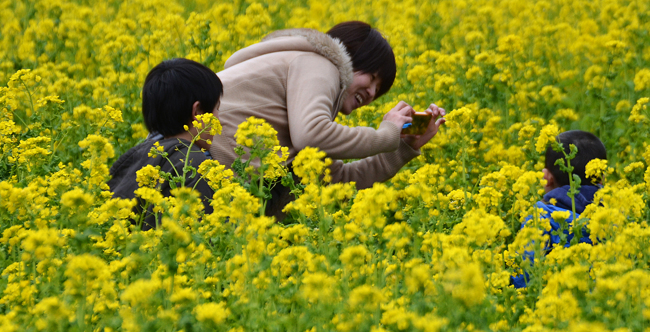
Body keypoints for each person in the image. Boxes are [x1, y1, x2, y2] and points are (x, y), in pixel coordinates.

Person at [209, 22, 445, 197]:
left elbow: (338, 181)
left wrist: (404, 147)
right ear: (348, 58)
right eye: (371, 78)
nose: (372, 93)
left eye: (378, 90)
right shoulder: (319, 64)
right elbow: (311, 135)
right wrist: (387, 133)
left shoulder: (307, 98)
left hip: (212, 174)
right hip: (199, 166)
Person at [108, 58, 223, 229]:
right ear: (197, 112)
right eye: (216, 110)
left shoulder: (137, 155)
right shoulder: (195, 165)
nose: (219, 120)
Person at [509, 130, 607, 288]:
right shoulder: (615, 213)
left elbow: (525, 273)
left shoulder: (540, 217)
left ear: (546, 178)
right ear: (602, 177)